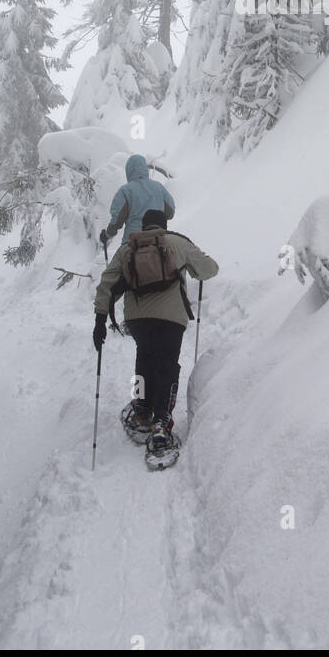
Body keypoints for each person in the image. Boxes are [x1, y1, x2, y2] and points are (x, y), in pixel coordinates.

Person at [92, 208, 219, 456]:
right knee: (167, 366)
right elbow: (209, 269)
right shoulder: (176, 243)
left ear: (144, 225)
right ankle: (161, 423)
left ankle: (141, 409)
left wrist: (99, 320)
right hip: (171, 320)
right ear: (164, 225)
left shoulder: (129, 248)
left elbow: (107, 283)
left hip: (138, 320)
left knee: (144, 360)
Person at [100, 155, 175, 251]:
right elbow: (170, 213)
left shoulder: (125, 191)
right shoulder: (159, 187)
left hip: (133, 243)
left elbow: (116, 220)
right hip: (158, 241)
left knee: (121, 264)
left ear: (129, 171)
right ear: (145, 169)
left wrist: (107, 235)